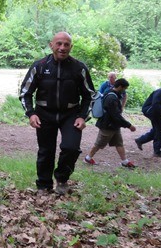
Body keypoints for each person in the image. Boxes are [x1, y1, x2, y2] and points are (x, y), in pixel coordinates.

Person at [19, 32, 96, 195]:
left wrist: (83, 116)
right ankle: (44, 185)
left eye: (66, 44)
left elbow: (90, 95)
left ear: (71, 47)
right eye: (59, 44)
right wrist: (31, 114)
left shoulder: (79, 68)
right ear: (51, 45)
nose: (62, 48)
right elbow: (25, 92)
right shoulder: (39, 66)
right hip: (44, 114)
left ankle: (62, 179)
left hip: (71, 115)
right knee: (46, 150)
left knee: (71, 148)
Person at [83, 78, 137, 168]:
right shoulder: (111, 98)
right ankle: (88, 158)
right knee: (98, 144)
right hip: (107, 125)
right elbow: (115, 115)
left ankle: (125, 161)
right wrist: (129, 125)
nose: (124, 91)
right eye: (124, 89)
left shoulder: (110, 92)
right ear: (120, 87)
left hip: (114, 125)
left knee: (119, 143)